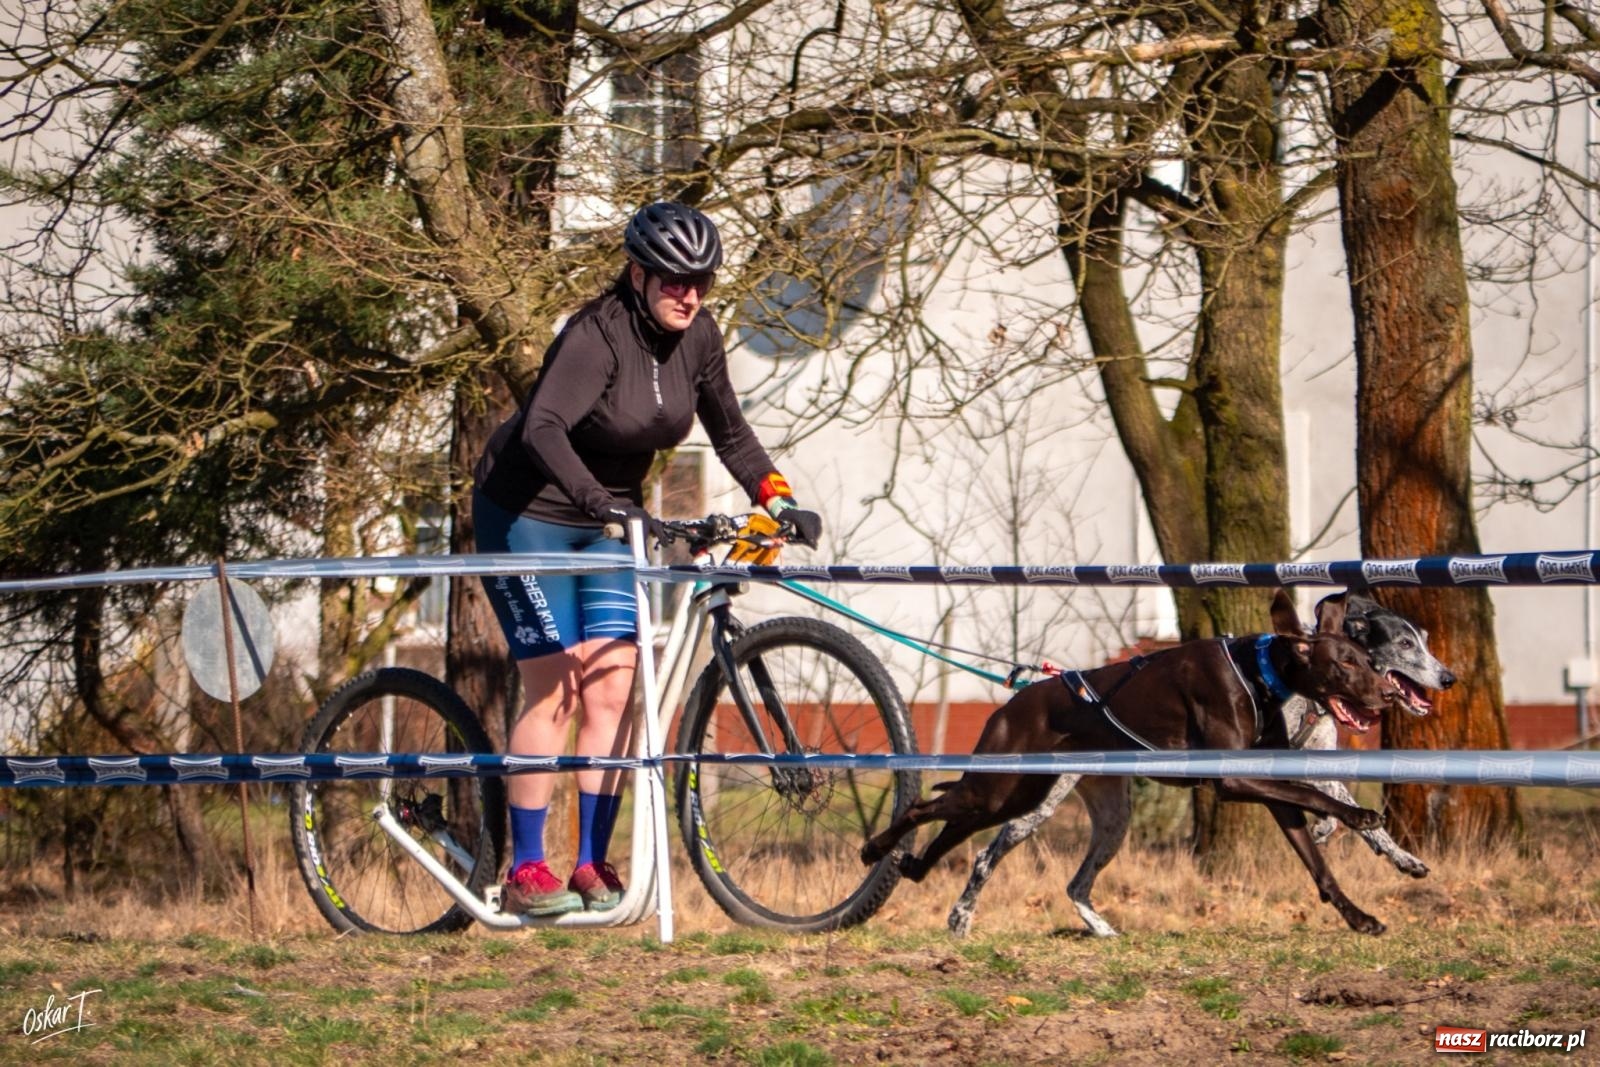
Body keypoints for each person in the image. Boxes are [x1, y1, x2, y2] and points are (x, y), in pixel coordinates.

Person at [471, 201, 823, 915]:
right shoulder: (595, 335)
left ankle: (590, 863)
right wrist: (597, 501)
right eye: (674, 280)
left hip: (608, 521)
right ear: (638, 275)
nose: (689, 295)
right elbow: (542, 428)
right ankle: (526, 869)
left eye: (702, 282)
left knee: (612, 688)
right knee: (556, 688)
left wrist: (778, 498)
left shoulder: (700, 337)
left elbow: (732, 434)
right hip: (528, 516)